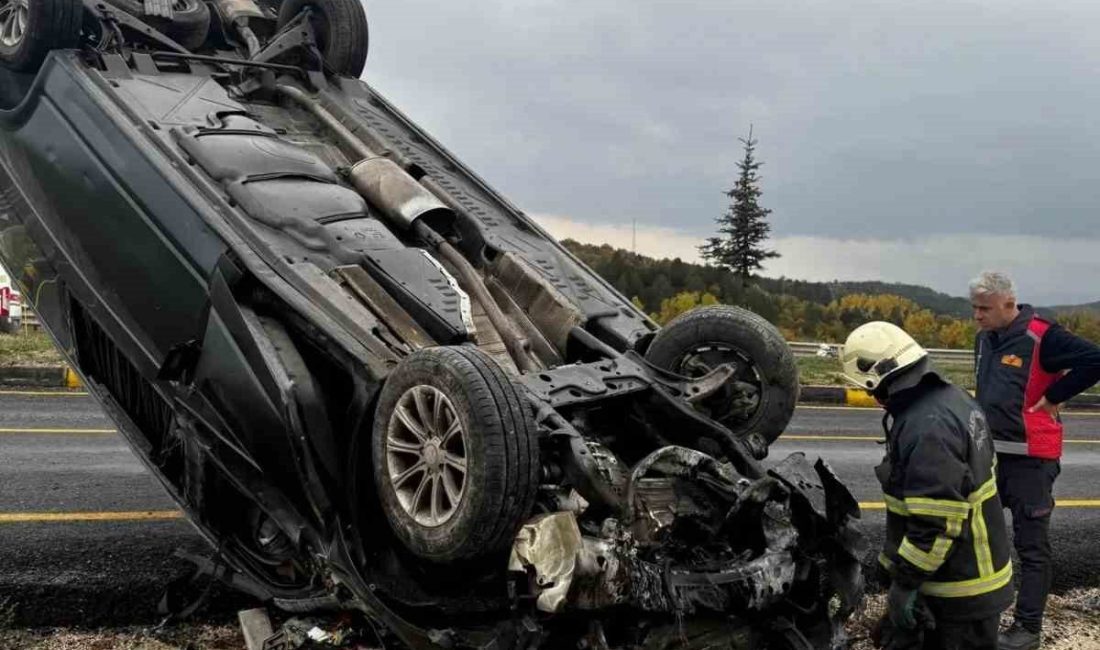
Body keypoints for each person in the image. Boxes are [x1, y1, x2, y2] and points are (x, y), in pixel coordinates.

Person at [842, 321, 1013, 650]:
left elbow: (934, 522)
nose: (871, 397)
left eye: (868, 389)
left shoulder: (927, 427)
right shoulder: (952, 398)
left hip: (959, 590)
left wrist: (905, 584)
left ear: (876, 376)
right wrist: (889, 570)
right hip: (971, 579)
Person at [969, 271, 1100, 650]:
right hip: (990, 455)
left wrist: (1056, 395)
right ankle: (983, 612)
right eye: (974, 308)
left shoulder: (1043, 336)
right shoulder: (985, 339)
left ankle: (1028, 629)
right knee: (984, 539)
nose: (977, 316)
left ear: (1009, 304)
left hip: (1030, 462)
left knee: (1031, 547)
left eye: (985, 309)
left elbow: (1095, 359)